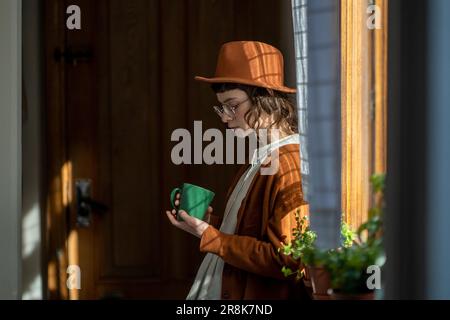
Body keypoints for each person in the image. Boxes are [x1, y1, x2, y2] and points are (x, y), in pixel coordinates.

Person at [165, 41, 310, 300]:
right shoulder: (260, 157)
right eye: (221, 107)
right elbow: (249, 236)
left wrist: (211, 237)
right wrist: (207, 226)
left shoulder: (290, 162)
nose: (224, 117)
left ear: (265, 98)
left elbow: (286, 260)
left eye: (232, 105)